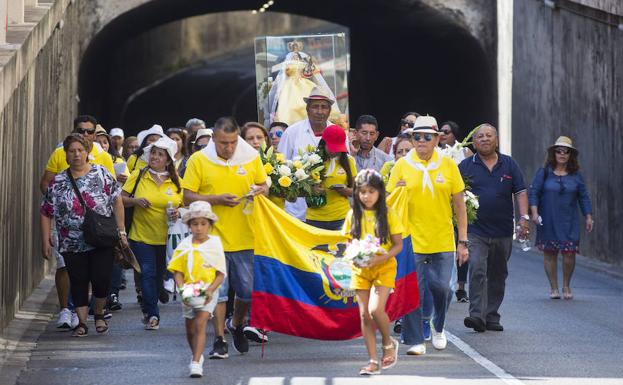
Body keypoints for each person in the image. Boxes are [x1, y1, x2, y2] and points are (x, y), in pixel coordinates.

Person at [183, 117, 268, 358]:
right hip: (212, 238)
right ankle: (219, 339)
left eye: (232, 142)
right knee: (218, 293)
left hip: (245, 236)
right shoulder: (199, 160)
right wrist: (216, 199)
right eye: (222, 143)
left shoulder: (251, 157)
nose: (228, 148)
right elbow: (187, 196)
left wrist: (259, 191)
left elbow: (264, 186)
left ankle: (237, 324)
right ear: (213, 139)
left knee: (247, 292)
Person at [387, 115, 468, 355]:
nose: (421, 141)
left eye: (427, 137)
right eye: (417, 137)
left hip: (442, 237)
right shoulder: (402, 165)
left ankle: (438, 326)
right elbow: (390, 203)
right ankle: (415, 340)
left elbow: (460, 205)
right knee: (414, 291)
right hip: (412, 238)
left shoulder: (448, 165)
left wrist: (463, 240)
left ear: (436, 139)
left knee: (443, 288)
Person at [40, 134, 126, 337]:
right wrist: (45, 239)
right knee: (78, 280)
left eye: (80, 150)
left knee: (101, 278)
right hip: (71, 241)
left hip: (101, 238)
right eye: (72, 151)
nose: (76, 154)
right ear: (66, 155)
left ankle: (98, 314)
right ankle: (81, 322)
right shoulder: (59, 180)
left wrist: (121, 230)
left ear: (87, 152)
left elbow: (117, 200)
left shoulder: (101, 173)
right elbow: (45, 211)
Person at [458, 124, 529, 332]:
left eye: (489, 136)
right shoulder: (465, 166)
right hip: (475, 230)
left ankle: (491, 315)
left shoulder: (509, 164)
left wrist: (524, 219)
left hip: (503, 230)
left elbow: (521, 192)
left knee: (498, 274)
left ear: (496, 140)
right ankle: (476, 315)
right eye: (480, 136)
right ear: (474, 142)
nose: (485, 139)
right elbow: (454, 194)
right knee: (477, 268)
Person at [343, 169, 403, 375]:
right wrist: (354, 256)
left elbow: (397, 245)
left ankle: (388, 343)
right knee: (363, 315)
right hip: (360, 269)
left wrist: (380, 258)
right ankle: (372, 360)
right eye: (362, 192)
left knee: (375, 310)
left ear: (380, 192)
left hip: (383, 267)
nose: (366, 196)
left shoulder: (389, 213)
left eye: (371, 191)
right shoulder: (353, 215)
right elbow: (348, 243)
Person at [122, 136, 183, 330]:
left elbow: (185, 204)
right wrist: (135, 201)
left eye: (160, 154)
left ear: (168, 160)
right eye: (153, 153)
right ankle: (152, 314)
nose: (155, 157)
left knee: (159, 276)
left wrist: (178, 212)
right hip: (141, 235)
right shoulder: (138, 175)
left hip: (167, 237)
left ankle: (154, 299)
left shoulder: (177, 181)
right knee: (147, 273)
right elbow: (121, 199)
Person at [528, 136, 593, 300]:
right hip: (548, 219)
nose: (562, 154)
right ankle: (554, 288)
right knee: (550, 253)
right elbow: (534, 192)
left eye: (566, 152)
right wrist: (534, 213)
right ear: (553, 153)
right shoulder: (544, 172)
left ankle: (566, 285)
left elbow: (583, 197)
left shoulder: (576, 175)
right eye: (559, 151)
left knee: (569, 253)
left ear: (570, 155)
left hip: (569, 220)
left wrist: (588, 216)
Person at [168, 201, 226, 378]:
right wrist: (181, 288)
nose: (199, 228)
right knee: (190, 328)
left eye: (203, 224)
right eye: (195, 224)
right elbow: (177, 271)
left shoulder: (215, 244)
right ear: (189, 225)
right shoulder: (184, 246)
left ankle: (195, 362)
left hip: (208, 290)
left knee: (201, 323)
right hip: (188, 289)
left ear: (210, 225)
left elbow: (220, 273)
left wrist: (210, 290)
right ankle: (197, 355)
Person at [277, 86, 336, 220]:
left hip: (330, 211)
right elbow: (281, 166)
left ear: (329, 110)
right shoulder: (292, 132)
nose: (319, 111)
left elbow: (344, 165)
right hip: (298, 210)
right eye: (315, 106)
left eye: (323, 107)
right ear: (307, 109)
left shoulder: (336, 132)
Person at [306, 125, 356, 230]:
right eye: (331, 148)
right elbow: (299, 189)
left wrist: (344, 190)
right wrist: (312, 190)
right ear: (323, 143)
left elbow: (358, 191)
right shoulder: (312, 160)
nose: (334, 152)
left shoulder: (349, 161)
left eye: (337, 148)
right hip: (315, 219)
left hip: (341, 218)